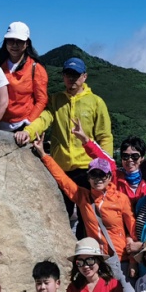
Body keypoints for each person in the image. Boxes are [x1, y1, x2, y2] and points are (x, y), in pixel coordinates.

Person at [16, 57, 112, 238]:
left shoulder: (96, 102)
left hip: (88, 169)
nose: (71, 79)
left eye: (76, 75)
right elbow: (44, 119)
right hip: (60, 169)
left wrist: (106, 167)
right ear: (63, 76)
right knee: (60, 214)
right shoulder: (56, 100)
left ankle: (87, 258)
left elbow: (105, 137)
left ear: (84, 77)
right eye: (68, 74)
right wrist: (28, 132)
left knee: (88, 217)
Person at [33, 138, 135, 272]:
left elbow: (132, 231)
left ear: (109, 177)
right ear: (88, 178)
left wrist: (133, 261)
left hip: (121, 261)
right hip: (96, 263)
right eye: (94, 175)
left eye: (102, 175)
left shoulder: (121, 199)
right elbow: (62, 179)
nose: (98, 179)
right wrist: (43, 155)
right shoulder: (83, 197)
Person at [0, 21, 48, 132]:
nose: (15, 45)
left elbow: (42, 100)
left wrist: (28, 122)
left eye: (20, 41)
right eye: (11, 40)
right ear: (6, 42)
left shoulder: (36, 68)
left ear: (27, 44)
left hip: (21, 126)